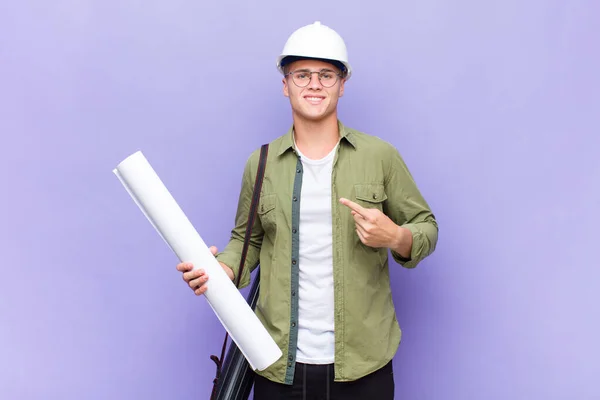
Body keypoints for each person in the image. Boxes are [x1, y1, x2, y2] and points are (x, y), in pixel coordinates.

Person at [176, 21, 438, 399]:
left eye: (326, 75)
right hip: (277, 363)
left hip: (364, 366)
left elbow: (425, 226)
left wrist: (396, 236)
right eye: (302, 75)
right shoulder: (261, 163)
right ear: (285, 85)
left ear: (342, 84)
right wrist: (224, 269)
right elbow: (246, 241)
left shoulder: (380, 157)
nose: (314, 84)